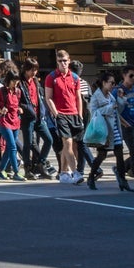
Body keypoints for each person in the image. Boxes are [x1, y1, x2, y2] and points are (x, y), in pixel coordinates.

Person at [44, 50, 86, 183]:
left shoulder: (74, 77)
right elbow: (48, 97)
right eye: (60, 61)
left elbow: (78, 97)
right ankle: (75, 173)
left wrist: (79, 115)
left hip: (74, 114)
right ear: (57, 62)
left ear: (69, 60)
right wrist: (56, 114)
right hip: (61, 114)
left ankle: (63, 172)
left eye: (65, 61)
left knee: (70, 145)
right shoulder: (51, 77)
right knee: (67, 143)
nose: (63, 63)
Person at [0, 61, 25, 179]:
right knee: (13, 146)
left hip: (15, 121)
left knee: (9, 147)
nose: (16, 83)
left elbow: (16, 104)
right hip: (4, 122)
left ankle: (1, 169)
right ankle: (16, 172)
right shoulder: (1, 91)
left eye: (17, 81)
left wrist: (19, 109)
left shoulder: (17, 92)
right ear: (9, 80)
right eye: (14, 81)